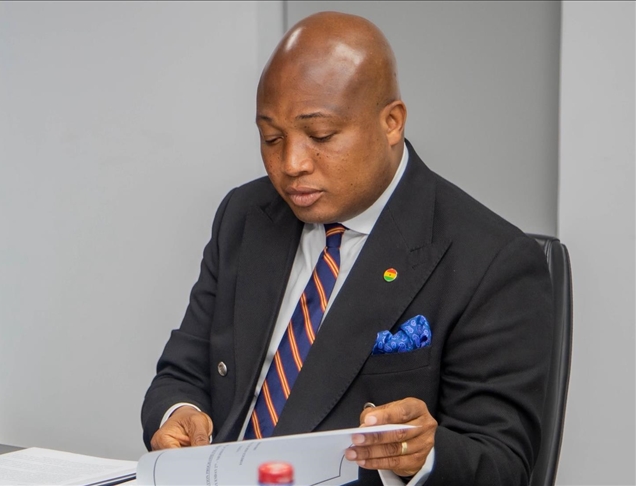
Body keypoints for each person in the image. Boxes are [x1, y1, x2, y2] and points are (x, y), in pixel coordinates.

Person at [141, 11, 552, 486]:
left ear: (391, 123)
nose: (291, 164)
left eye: (320, 136)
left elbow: (502, 463)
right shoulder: (246, 215)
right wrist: (179, 412)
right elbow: (182, 371)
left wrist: (423, 455)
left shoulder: (491, 261)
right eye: (272, 138)